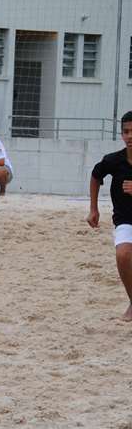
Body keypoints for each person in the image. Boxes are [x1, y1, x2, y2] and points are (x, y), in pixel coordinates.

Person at [87, 110, 132, 322]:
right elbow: (96, 176)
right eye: (126, 131)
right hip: (125, 220)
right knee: (123, 255)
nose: (130, 136)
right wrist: (93, 209)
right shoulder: (114, 160)